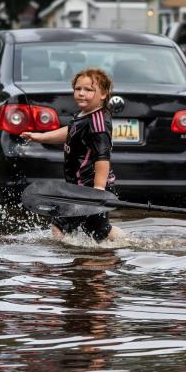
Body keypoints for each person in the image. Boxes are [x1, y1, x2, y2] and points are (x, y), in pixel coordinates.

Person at [21, 68, 123, 242]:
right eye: (78, 89)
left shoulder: (98, 124)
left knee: (76, 229)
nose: (81, 93)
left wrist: (98, 191)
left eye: (89, 90)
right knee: (93, 231)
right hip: (78, 188)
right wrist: (40, 137)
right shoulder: (83, 115)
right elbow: (70, 132)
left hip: (89, 189)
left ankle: (121, 249)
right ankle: (120, 246)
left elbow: (102, 158)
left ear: (104, 94)